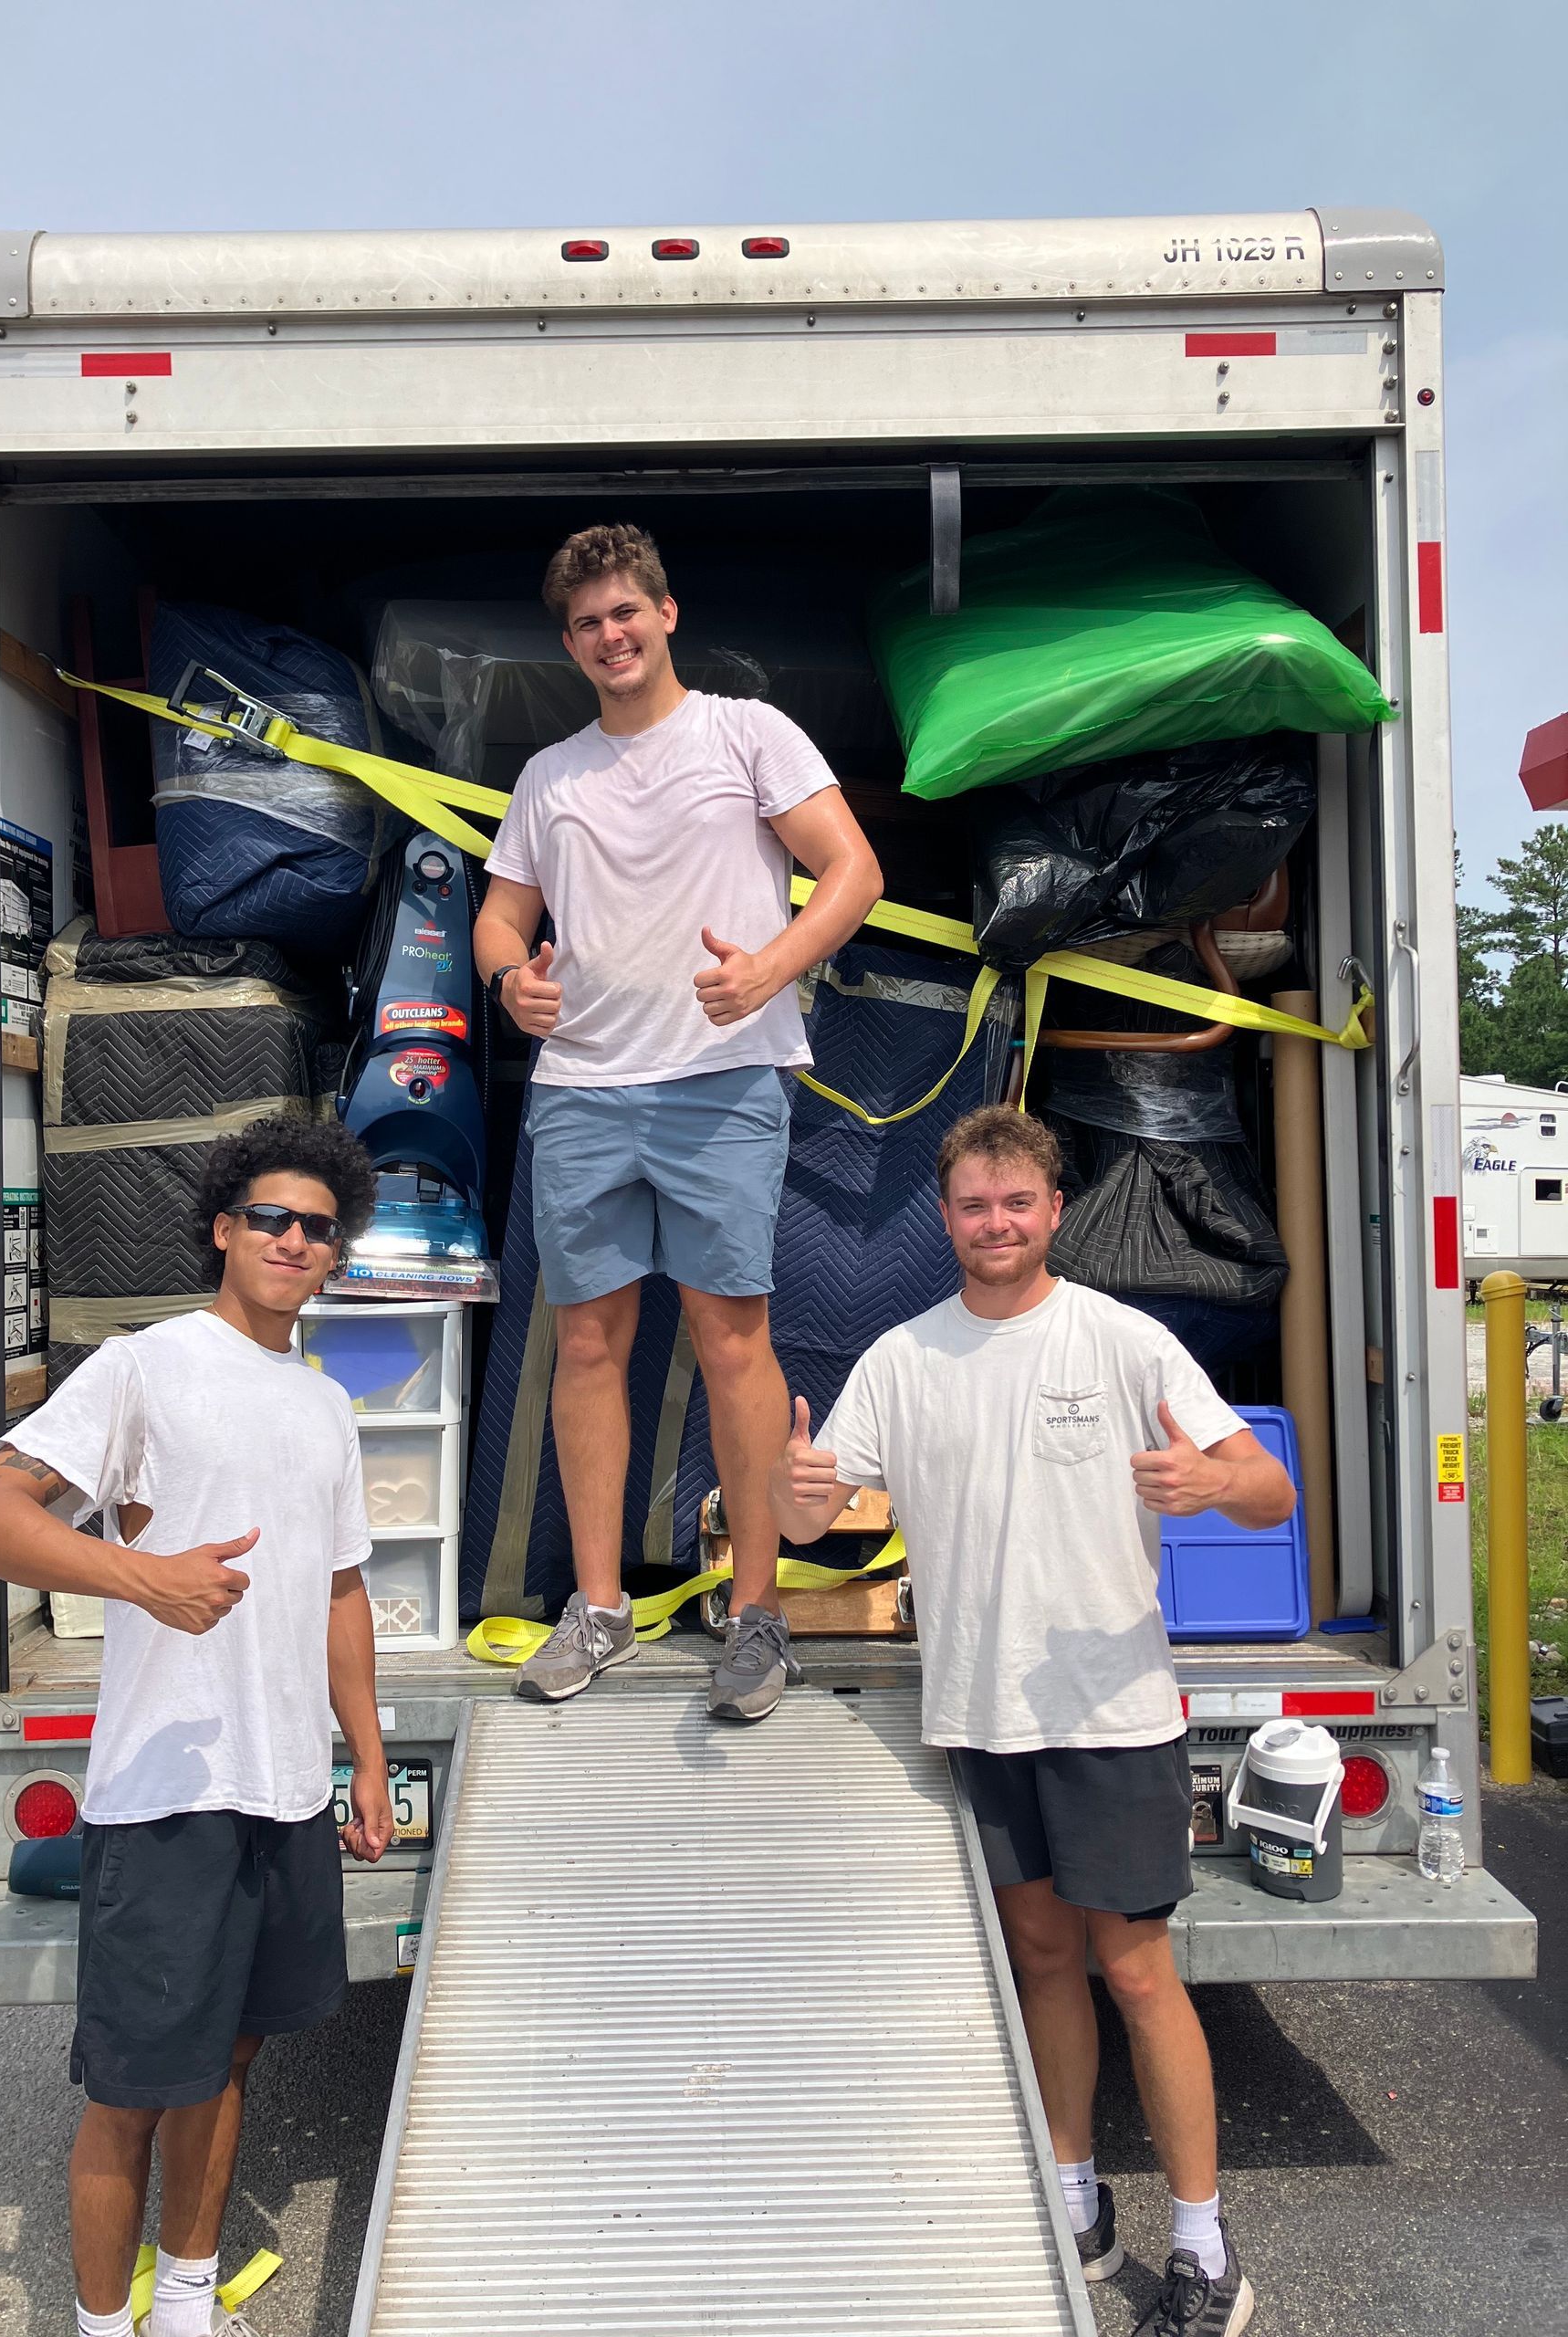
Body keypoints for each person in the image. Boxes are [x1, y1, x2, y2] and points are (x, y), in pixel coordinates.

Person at [769, 1104, 1291, 2336]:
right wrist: (792, 1494)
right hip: (981, 1716)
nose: (994, 1223)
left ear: (1055, 1211)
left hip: (1112, 1717)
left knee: (1135, 1967)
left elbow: (1268, 1491)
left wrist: (1216, 1480)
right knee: (1045, 1961)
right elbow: (808, 1521)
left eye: (1017, 1202)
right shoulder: (903, 1357)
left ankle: (1206, 2243)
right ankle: (1076, 2202)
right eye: (971, 1204)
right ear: (942, 1217)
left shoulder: (1123, 1339)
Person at [0, 1117, 392, 2337]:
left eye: (317, 1226)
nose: (295, 1240)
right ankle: (104, 2326)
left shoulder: (323, 1408)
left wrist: (363, 1760)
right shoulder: (146, 1367)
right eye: (271, 1219)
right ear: (223, 1229)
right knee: (136, 2091)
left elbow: (341, 1593)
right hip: (165, 1799)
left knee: (235, 2059)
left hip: (285, 1789)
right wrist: (144, 1578)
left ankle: (185, 2303)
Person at [474, 522, 882, 1720]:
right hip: (584, 1090)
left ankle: (757, 1619)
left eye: (628, 612)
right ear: (570, 642)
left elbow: (852, 872)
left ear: (667, 614)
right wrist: (511, 982)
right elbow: (502, 922)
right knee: (589, 1347)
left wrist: (770, 970)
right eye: (590, 622)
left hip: (724, 1085)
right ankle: (597, 1607)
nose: (613, 635)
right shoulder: (551, 777)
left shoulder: (748, 733)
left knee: (731, 1344)